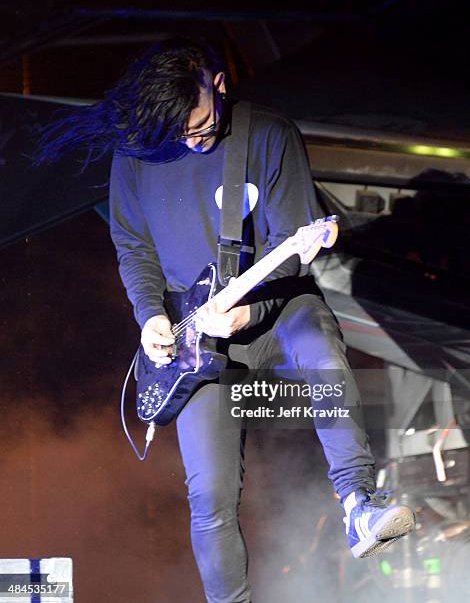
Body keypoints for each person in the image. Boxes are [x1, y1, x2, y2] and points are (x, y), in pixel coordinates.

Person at [39, 37, 415, 603]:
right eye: (179, 133)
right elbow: (133, 246)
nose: (192, 139)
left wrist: (251, 311)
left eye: (199, 123)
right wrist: (149, 318)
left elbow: (295, 247)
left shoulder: (266, 135)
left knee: (319, 348)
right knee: (210, 496)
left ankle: (359, 504)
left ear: (218, 84)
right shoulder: (137, 151)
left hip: (275, 302)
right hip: (193, 334)